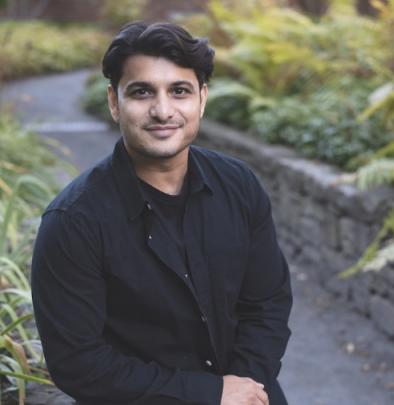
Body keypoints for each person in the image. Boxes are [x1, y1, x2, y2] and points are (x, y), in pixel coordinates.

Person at [31, 21, 293, 405]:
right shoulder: (73, 222)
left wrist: (242, 386)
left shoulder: (239, 186)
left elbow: (267, 303)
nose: (163, 110)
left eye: (180, 91)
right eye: (141, 92)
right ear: (114, 101)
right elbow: (78, 362)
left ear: (202, 98)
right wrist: (210, 394)